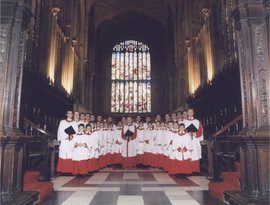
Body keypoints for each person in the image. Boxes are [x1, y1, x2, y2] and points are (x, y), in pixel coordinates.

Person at [185, 108, 204, 173]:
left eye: (191, 112)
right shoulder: (184, 122)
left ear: (193, 113)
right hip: (187, 140)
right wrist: (187, 133)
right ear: (187, 113)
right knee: (188, 153)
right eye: (189, 112)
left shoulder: (197, 121)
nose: (190, 113)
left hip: (195, 140)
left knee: (195, 153)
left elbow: (200, 131)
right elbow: (182, 130)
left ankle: (195, 169)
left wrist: (195, 133)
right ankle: (187, 169)